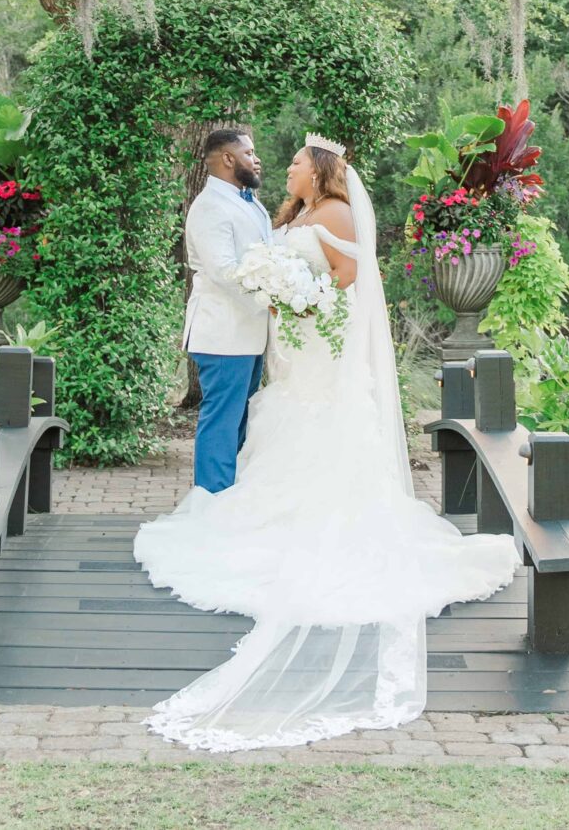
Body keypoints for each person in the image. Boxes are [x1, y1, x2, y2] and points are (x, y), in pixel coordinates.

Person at [135, 135, 520, 751]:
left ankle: (300, 515)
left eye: (293, 161)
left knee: (304, 426)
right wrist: (285, 294)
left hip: (314, 342)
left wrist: (301, 299)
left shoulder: (332, 212)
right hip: (287, 340)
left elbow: (348, 278)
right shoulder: (291, 213)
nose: (283, 166)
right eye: (276, 159)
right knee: (270, 424)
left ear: (318, 170)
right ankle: (248, 510)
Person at [180, 125, 273, 494]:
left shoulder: (247, 200)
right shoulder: (210, 207)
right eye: (249, 153)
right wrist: (272, 299)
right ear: (228, 159)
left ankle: (229, 500)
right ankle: (211, 503)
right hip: (223, 334)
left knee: (238, 423)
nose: (256, 159)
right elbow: (222, 271)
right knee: (221, 421)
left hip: (247, 332)